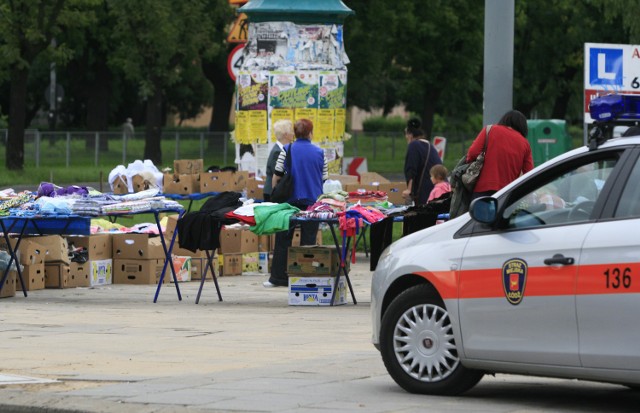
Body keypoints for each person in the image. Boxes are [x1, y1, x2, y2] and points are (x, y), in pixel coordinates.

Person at [264, 118, 328, 288]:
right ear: (310, 133)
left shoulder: (287, 149)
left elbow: (277, 175)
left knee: (283, 238)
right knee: (308, 240)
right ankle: (305, 276)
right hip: (312, 203)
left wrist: (276, 195)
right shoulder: (320, 153)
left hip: (288, 201)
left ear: (296, 133)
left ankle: (278, 278)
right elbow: (324, 179)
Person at [466, 110, 534, 200]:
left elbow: (472, 153)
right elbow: (529, 173)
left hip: (483, 188)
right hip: (507, 192)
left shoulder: (489, 130)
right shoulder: (525, 143)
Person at [401, 118, 443, 204]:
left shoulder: (414, 145)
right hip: (438, 189)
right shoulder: (429, 145)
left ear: (410, 135)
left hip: (426, 191)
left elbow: (411, 169)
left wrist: (409, 190)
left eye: (406, 135)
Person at [263, 120, 294, 202]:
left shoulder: (280, 149)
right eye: (291, 131)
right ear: (286, 135)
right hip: (272, 193)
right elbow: (278, 174)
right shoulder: (277, 152)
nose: (293, 134)